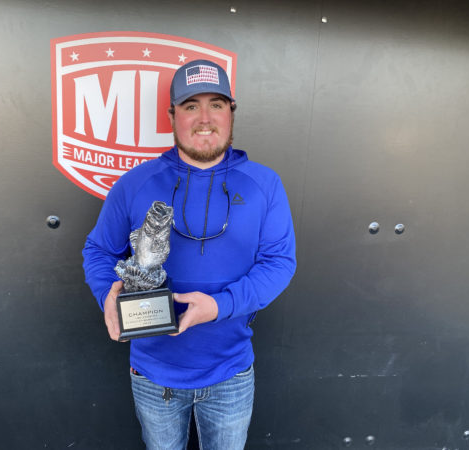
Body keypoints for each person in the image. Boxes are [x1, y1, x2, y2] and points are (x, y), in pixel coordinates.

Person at [82, 59, 296, 450]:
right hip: (153, 374)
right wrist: (106, 295)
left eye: (217, 104)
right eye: (191, 106)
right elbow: (99, 251)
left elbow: (279, 263)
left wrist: (219, 306)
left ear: (231, 112)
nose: (204, 119)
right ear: (172, 116)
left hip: (230, 372)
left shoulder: (264, 184)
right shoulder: (135, 184)